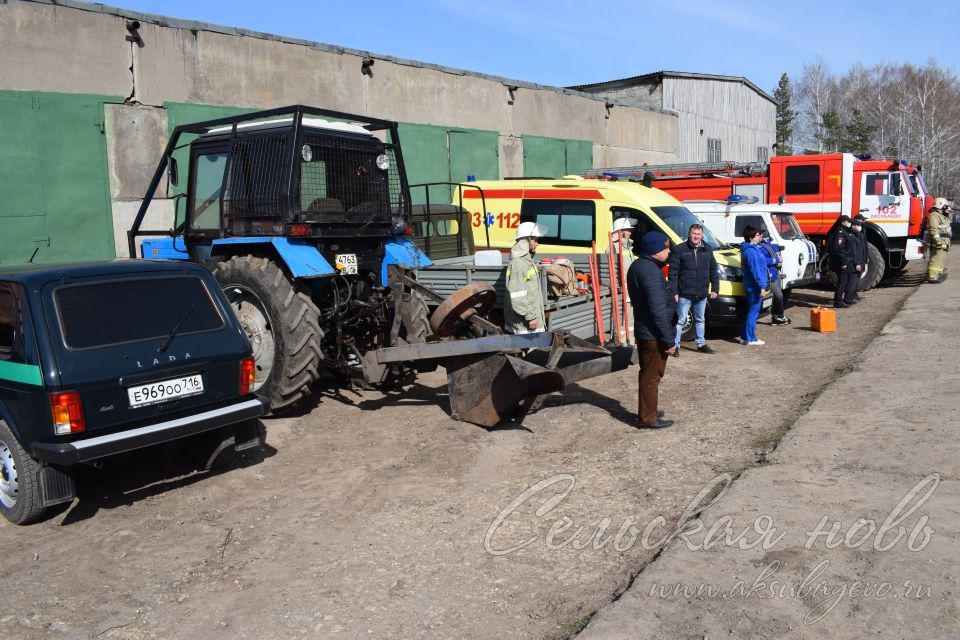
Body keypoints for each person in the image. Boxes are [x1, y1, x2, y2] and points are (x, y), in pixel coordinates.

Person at [627, 231, 677, 429]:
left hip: (645, 330)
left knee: (647, 373)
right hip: (653, 334)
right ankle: (648, 417)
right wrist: (669, 341)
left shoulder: (639, 266)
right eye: (665, 248)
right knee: (652, 376)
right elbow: (658, 311)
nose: (668, 251)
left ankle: (649, 410)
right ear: (655, 250)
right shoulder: (651, 271)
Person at [668, 223, 719, 355]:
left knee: (700, 319)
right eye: (693, 234)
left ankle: (701, 344)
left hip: (701, 292)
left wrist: (715, 288)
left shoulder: (708, 249)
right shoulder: (680, 249)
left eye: (698, 234)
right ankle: (675, 346)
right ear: (689, 234)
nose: (696, 236)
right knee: (680, 320)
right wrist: (674, 291)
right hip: (684, 293)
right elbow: (673, 273)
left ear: (702, 235)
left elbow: (714, 270)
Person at [504, 221, 547, 333]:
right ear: (525, 240)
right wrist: (530, 317)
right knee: (525, 348)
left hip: (527, 320)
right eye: (535, 240)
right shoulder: (519, 263)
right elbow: (518, 294)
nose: (538, 243)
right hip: (524, 323)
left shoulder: (527, 261)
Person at [738, 225, 769, 346]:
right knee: (753, 312)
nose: (760, 236)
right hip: (754, 287)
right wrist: (762, 286)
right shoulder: (751, 252)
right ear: (751, 237)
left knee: (752, 311)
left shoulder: (753, 249)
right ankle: (751, 338)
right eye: (757, 235)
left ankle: (745, 337)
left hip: (753, 285)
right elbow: (756, 271)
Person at [757, 227, 791, 325]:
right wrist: (776, 260)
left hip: (776, 273)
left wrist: (777, 260)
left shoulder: (772, 245)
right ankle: (777, 316)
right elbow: (763, 261)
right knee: (778, 296)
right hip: (769, 275)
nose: (762, 236)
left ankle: (778, 316)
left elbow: (780, 259)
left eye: (762, 234)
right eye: (760, 234)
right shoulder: (758, 248)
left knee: (779, 296)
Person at [829, 215, 856, 308]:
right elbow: (839, 249)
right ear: (843, 222)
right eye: (847, 222)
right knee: (842, 282)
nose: (849, 223)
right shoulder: (840, 232)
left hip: (846, 261)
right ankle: (838, 301)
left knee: (844, 281)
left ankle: (841, 300)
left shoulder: (844, 231)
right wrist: (843, 262)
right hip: (841, 262)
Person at [926, 197, 952, 284]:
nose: (947, 209)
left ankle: (938, 274)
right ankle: (932, 277)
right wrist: (937, 241)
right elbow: (934, 229)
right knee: (935, 260)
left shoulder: (942, 216)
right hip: (938, 242)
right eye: (946, 206)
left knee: (941, 259)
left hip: (944, 242)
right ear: (940, 205)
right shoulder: (934, 215)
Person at [847, 216, 868, 302]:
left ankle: (854, 295)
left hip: (861, 259)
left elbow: (864, 247)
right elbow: (854, 251)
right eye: (859, 223)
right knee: (853, 280)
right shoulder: (852, 235)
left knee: (857, 279)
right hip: (856, 261)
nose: (862, 224)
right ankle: (849, 297)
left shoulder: (861, 233)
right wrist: (857, 262)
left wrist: (865, 259)